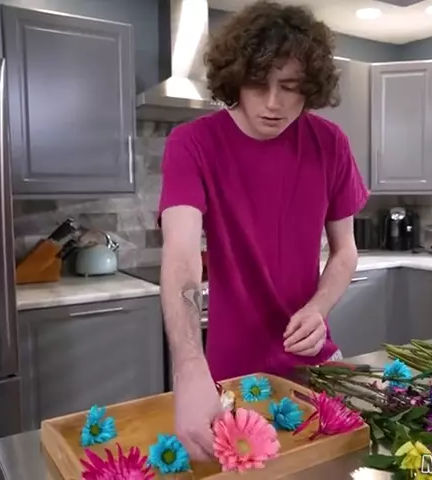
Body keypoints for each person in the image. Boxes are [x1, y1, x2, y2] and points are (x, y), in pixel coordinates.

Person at [157, 0, 369, 462]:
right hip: (231, 372)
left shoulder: (330, 144)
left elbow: (345, 251)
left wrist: (319, 308)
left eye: (290, 87)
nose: (274, 103)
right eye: (258, 84)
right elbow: (181, 255)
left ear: (310, 87)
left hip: (313, 363)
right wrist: (189, 369)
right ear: (235, 80)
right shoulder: (192, 144)